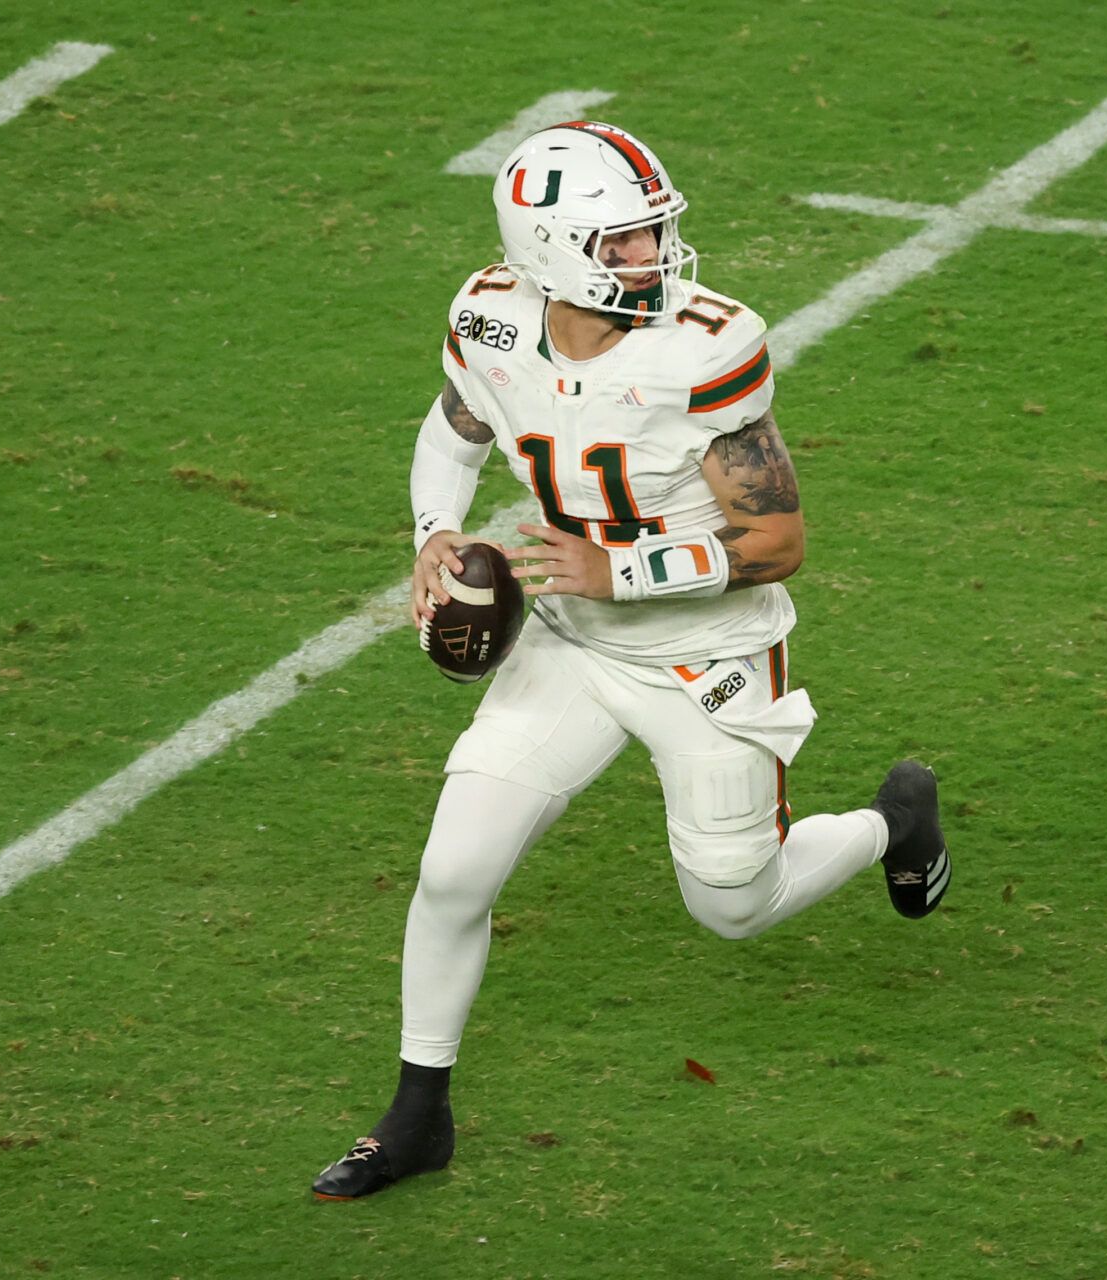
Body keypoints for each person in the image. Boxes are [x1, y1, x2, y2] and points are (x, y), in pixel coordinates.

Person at [312, 121, 952, 1201]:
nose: (652, 259)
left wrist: (622, 571)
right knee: (455, 866)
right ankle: (419, 1112)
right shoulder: (491, 317)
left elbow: (777, 543)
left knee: (733, 905)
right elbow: (457, 425)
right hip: (570, 637)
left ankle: (897, 817)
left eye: (655, 235)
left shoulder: (704, 346)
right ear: (549, 249)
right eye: (623, 243)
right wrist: (433, 528)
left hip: (704, 648)